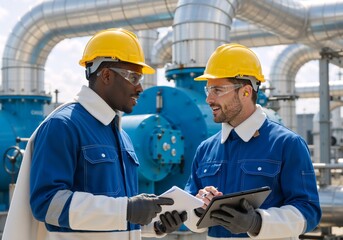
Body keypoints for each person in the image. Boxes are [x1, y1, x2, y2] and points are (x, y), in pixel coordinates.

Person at [3, 28, 187, 240]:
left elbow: (117, 220)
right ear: (107, 75)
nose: (140, 88)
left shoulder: (121, 135)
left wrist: (155, 224)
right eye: (134, 77)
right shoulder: (63, 125)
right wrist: (126, 209)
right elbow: (47, 204)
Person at [183, 43, 321, 239]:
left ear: (246, 92)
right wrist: (199, 208)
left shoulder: (287, 144)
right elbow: (190, 217)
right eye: (208, 90)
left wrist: (257, 222)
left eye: (217, 90)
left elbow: (309, 212)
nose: (209, 99)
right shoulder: (205, 150)